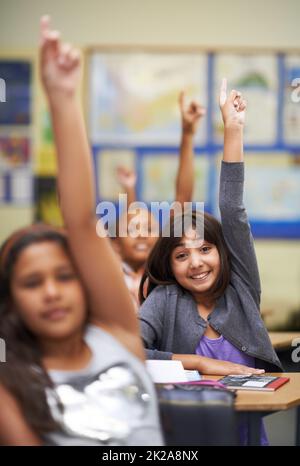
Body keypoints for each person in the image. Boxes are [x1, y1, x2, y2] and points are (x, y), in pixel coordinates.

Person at [0, 16, 163, 446]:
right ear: (12, 300)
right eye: (32, 283)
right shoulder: (10, 383)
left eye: (64, 275)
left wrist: (63, 97)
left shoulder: (117, 332)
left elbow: (80, 223)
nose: (52, 291)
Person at [138, 78, 282, 378]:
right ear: (169, 263)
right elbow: (130, 349)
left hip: (246, 422)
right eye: (181, 255)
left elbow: (232, 209)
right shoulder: (165, 300)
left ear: (223, 253)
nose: (196, 263)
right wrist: (201, 363)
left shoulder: (241, 287)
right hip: (185, 422)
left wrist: (233, 128)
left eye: (205, 249)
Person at [114, 92, 206, 307]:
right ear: (115, 245)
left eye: (150, 229)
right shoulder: (107, 272)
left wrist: (187, 134)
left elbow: (182, 199)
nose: (142, 236)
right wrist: (129, 191)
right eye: (132, 231)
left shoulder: (163, 273)